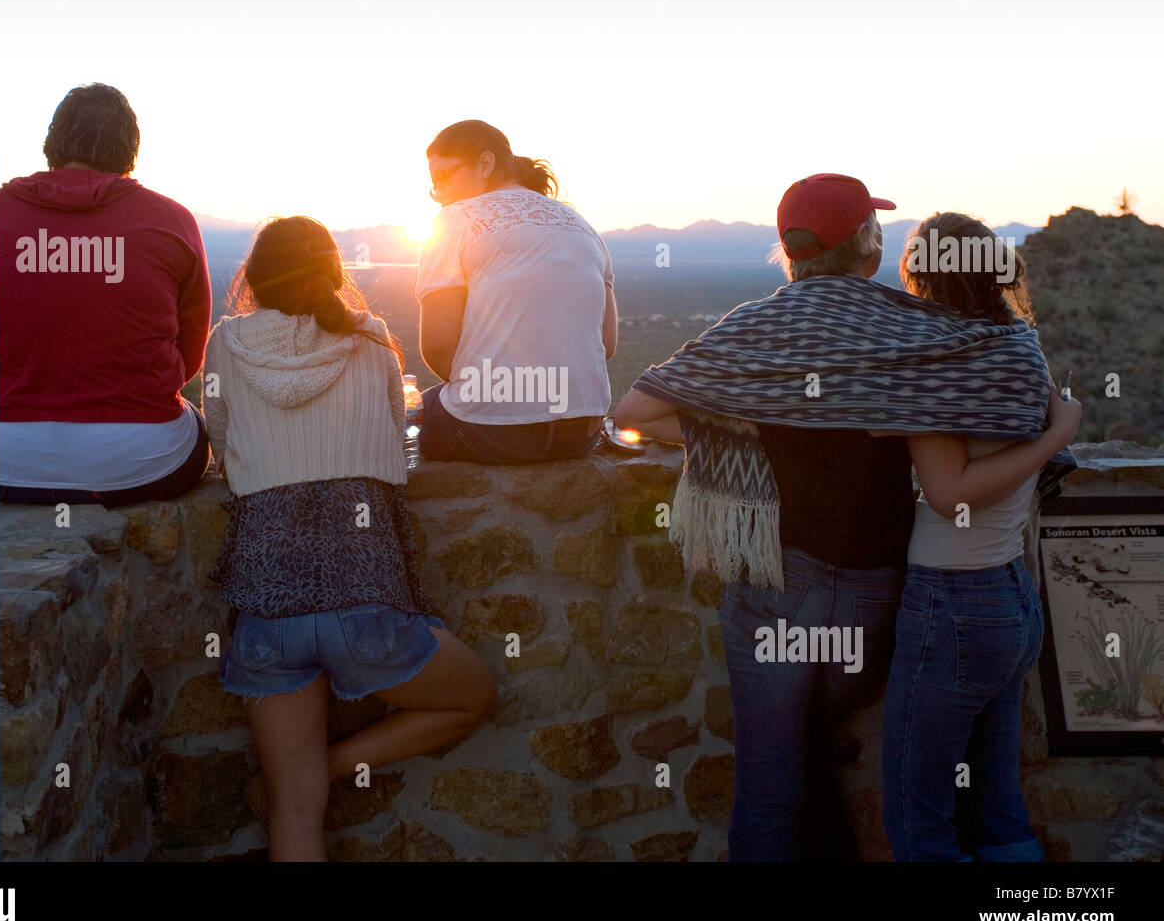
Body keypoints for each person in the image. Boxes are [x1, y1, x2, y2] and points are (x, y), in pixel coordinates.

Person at [615, 174, 1075, 861]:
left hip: (776, 582)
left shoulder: (755, 325)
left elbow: (632, 412)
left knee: (769, 778)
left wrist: (749, 427)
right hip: (880, 592)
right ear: (866, 243)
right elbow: (996, 393)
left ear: (791, 251)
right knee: (846, 762)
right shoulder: (920, 328)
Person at [204, 216, 496, 862]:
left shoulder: (226, 344)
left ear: (250, 280)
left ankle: (310, 772)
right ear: (334, 275)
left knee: (293, 810)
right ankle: (337, 763)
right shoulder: (373, 341)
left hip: (268, 609)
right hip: (365, 601)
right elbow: (396, 445)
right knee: (474, 694)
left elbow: (220, 445)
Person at [877, 213, 1082, 861]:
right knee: (997, 807)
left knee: (919, 816)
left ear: (928, 275)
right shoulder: (1022, 344)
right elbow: (1050, 419)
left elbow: (948, 491)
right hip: (1012, 599)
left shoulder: (940, 363)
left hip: (952, 603)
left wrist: (1055, 438)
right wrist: (1059, 430)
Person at [0, 83, 211, 506]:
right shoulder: (173, 221)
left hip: (6, 458)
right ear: (130, 149)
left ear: (52, 143)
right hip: (144, 459)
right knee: (197, 425)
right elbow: (190, 354)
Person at [413, 119, 618, 463]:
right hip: (582, 430)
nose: (440, 193)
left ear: (486, 164)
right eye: (434, 184)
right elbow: (606, 344)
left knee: (395, 417)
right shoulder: (581, 225)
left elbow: (437, 345)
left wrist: (492, 390)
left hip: (493, 432)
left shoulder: (453, 220)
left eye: (445, 176)